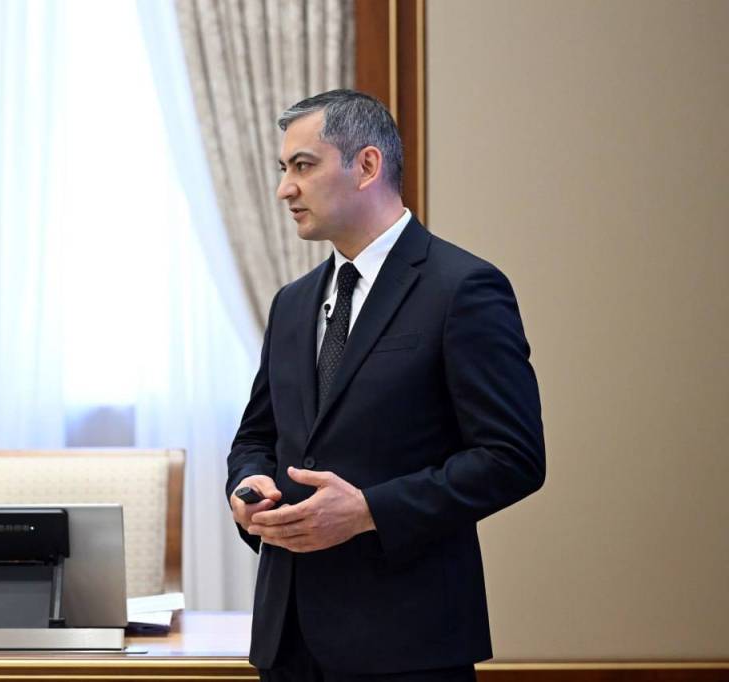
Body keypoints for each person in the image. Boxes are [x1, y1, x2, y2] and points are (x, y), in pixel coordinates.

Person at [226, 89, 545, 682]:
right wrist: (248, 488)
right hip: (287, 642)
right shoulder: (292, 303)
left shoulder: (463, 288)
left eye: (303, 166)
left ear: (367, 165)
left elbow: (513, 458)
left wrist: (368, 511)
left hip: (409, 645)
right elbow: (256, 438)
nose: (284, 189)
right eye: (283, 168)